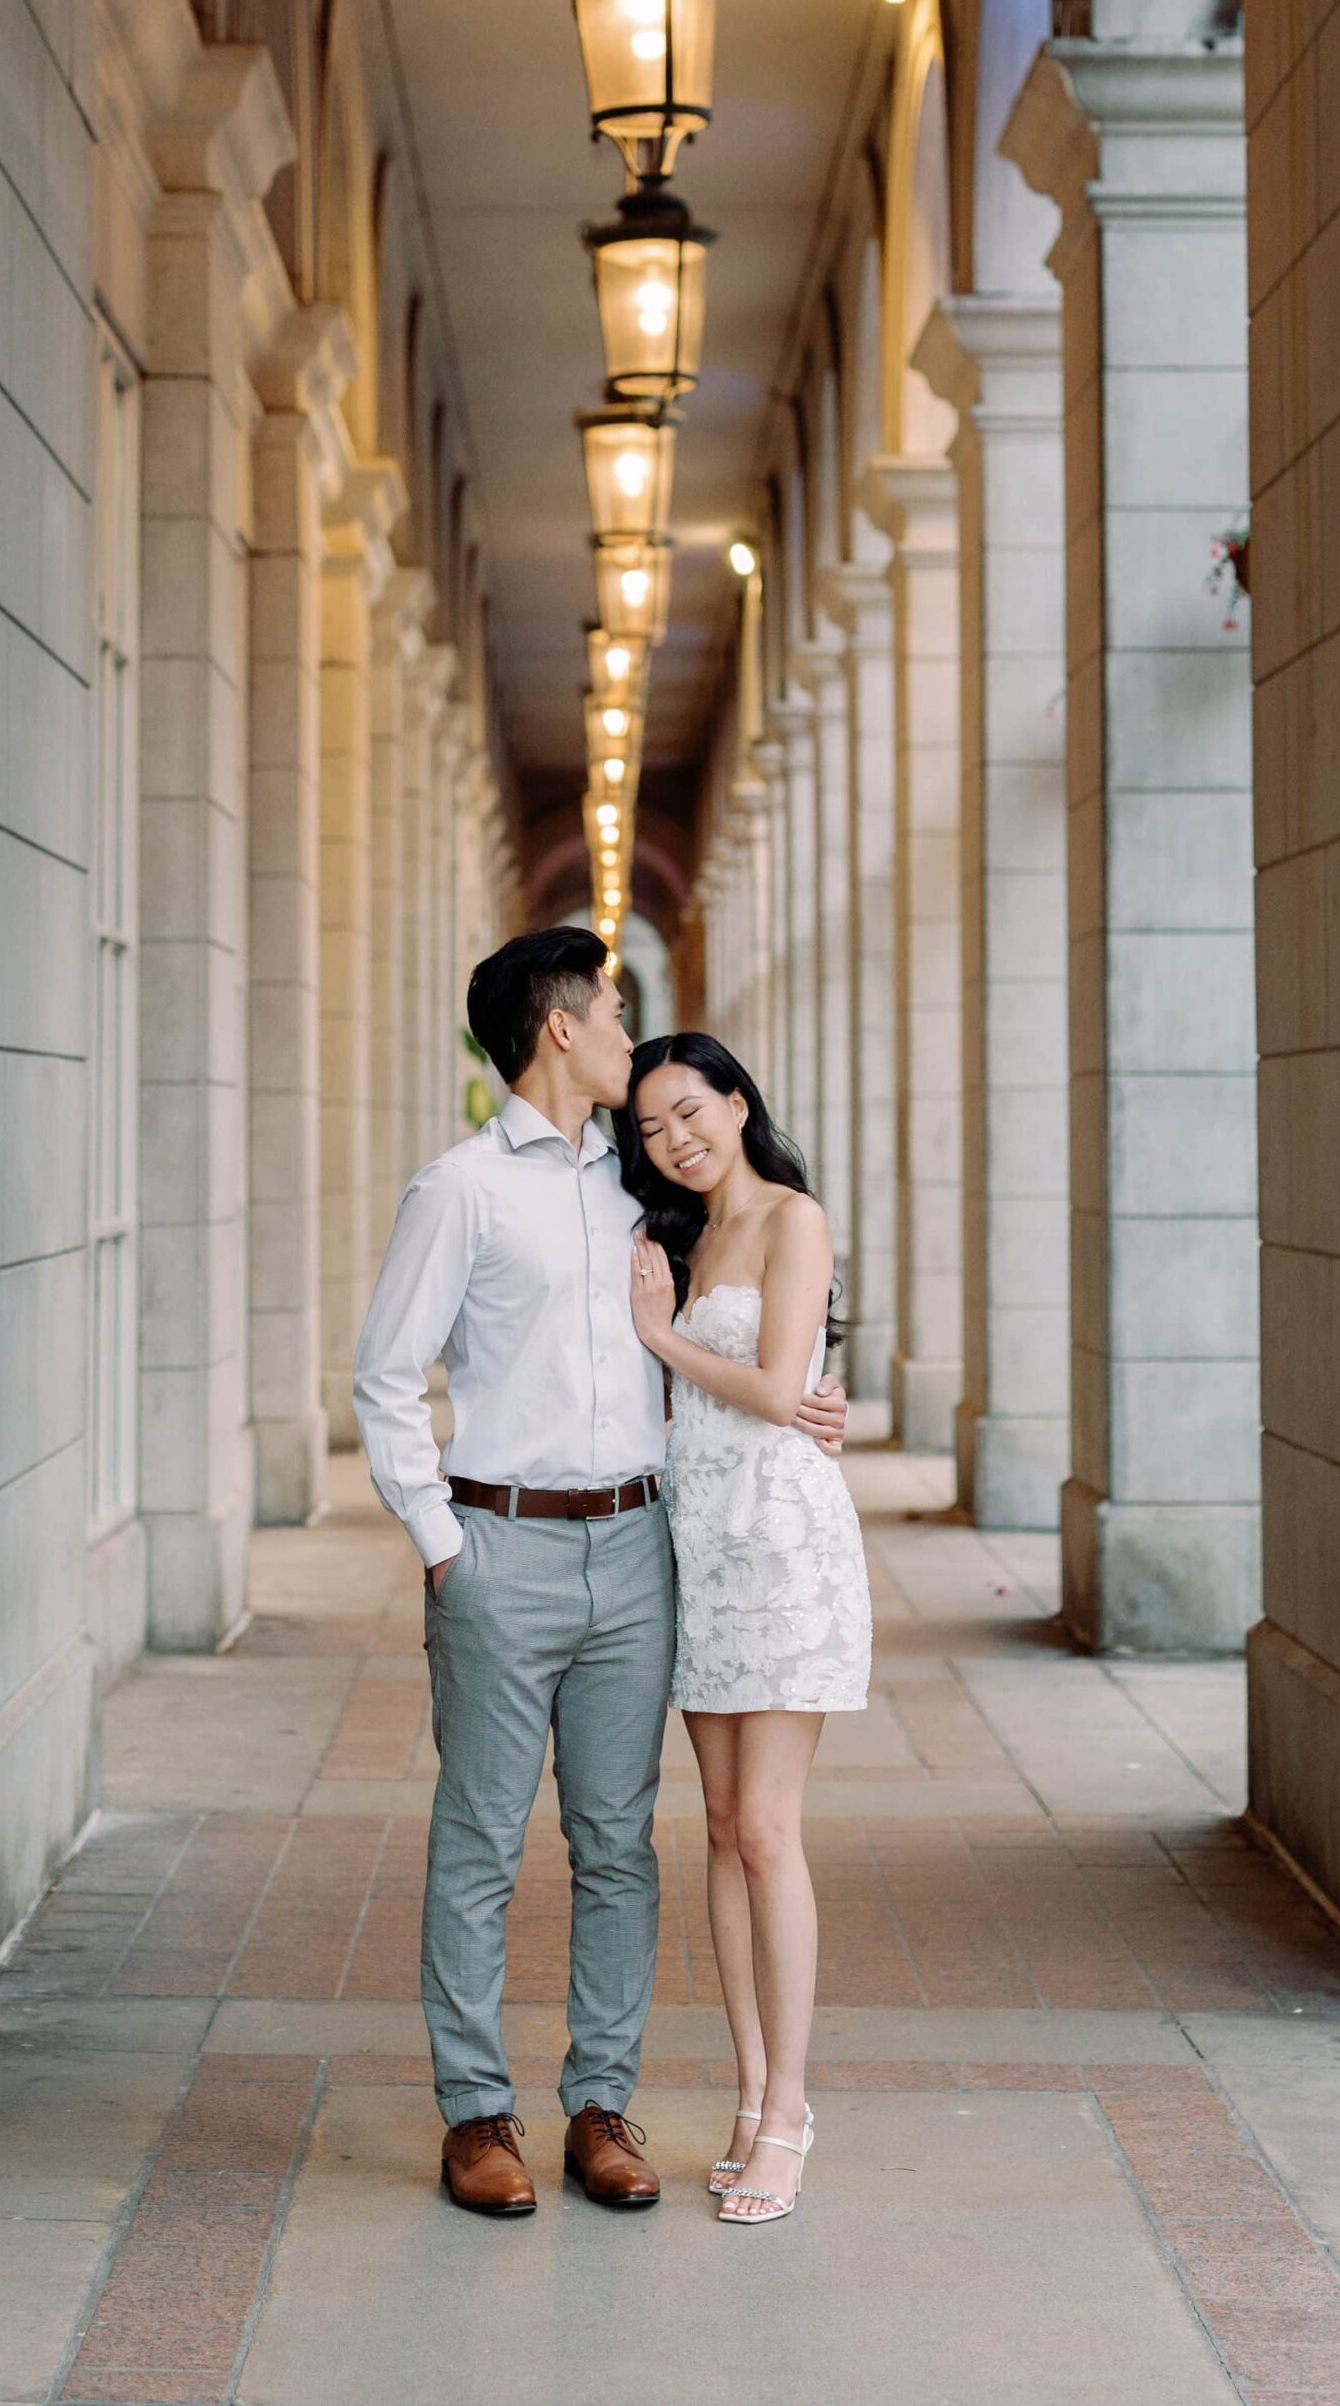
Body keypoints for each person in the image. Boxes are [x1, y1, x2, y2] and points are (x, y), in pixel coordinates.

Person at [352, 930, 849, 2219]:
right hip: (498, 1541)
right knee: (477, 1841)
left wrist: (806, 1401)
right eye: (613, 1009)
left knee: (617, 1845)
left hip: (642, 1545)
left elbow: (744, 1314)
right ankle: (475, 2115)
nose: (630, 1029)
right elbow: (386, 1376)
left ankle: (600, 2105)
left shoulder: (645, 1185)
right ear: (558, 1027)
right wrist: (443, 1543)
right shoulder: (456, 1188)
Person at [618, 1032, 872, 2227]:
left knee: (768, 1826)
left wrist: (665, 1340)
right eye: (652, 1126)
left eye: (690, 1110)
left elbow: (780, 1390)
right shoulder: (679, 1232)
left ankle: (792, 2113)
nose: (676, 1138)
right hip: (698, 1547)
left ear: (735, 1099)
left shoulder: (789, 1217)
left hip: (777, 1544)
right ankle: (748, 2091)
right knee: (716, 1826)